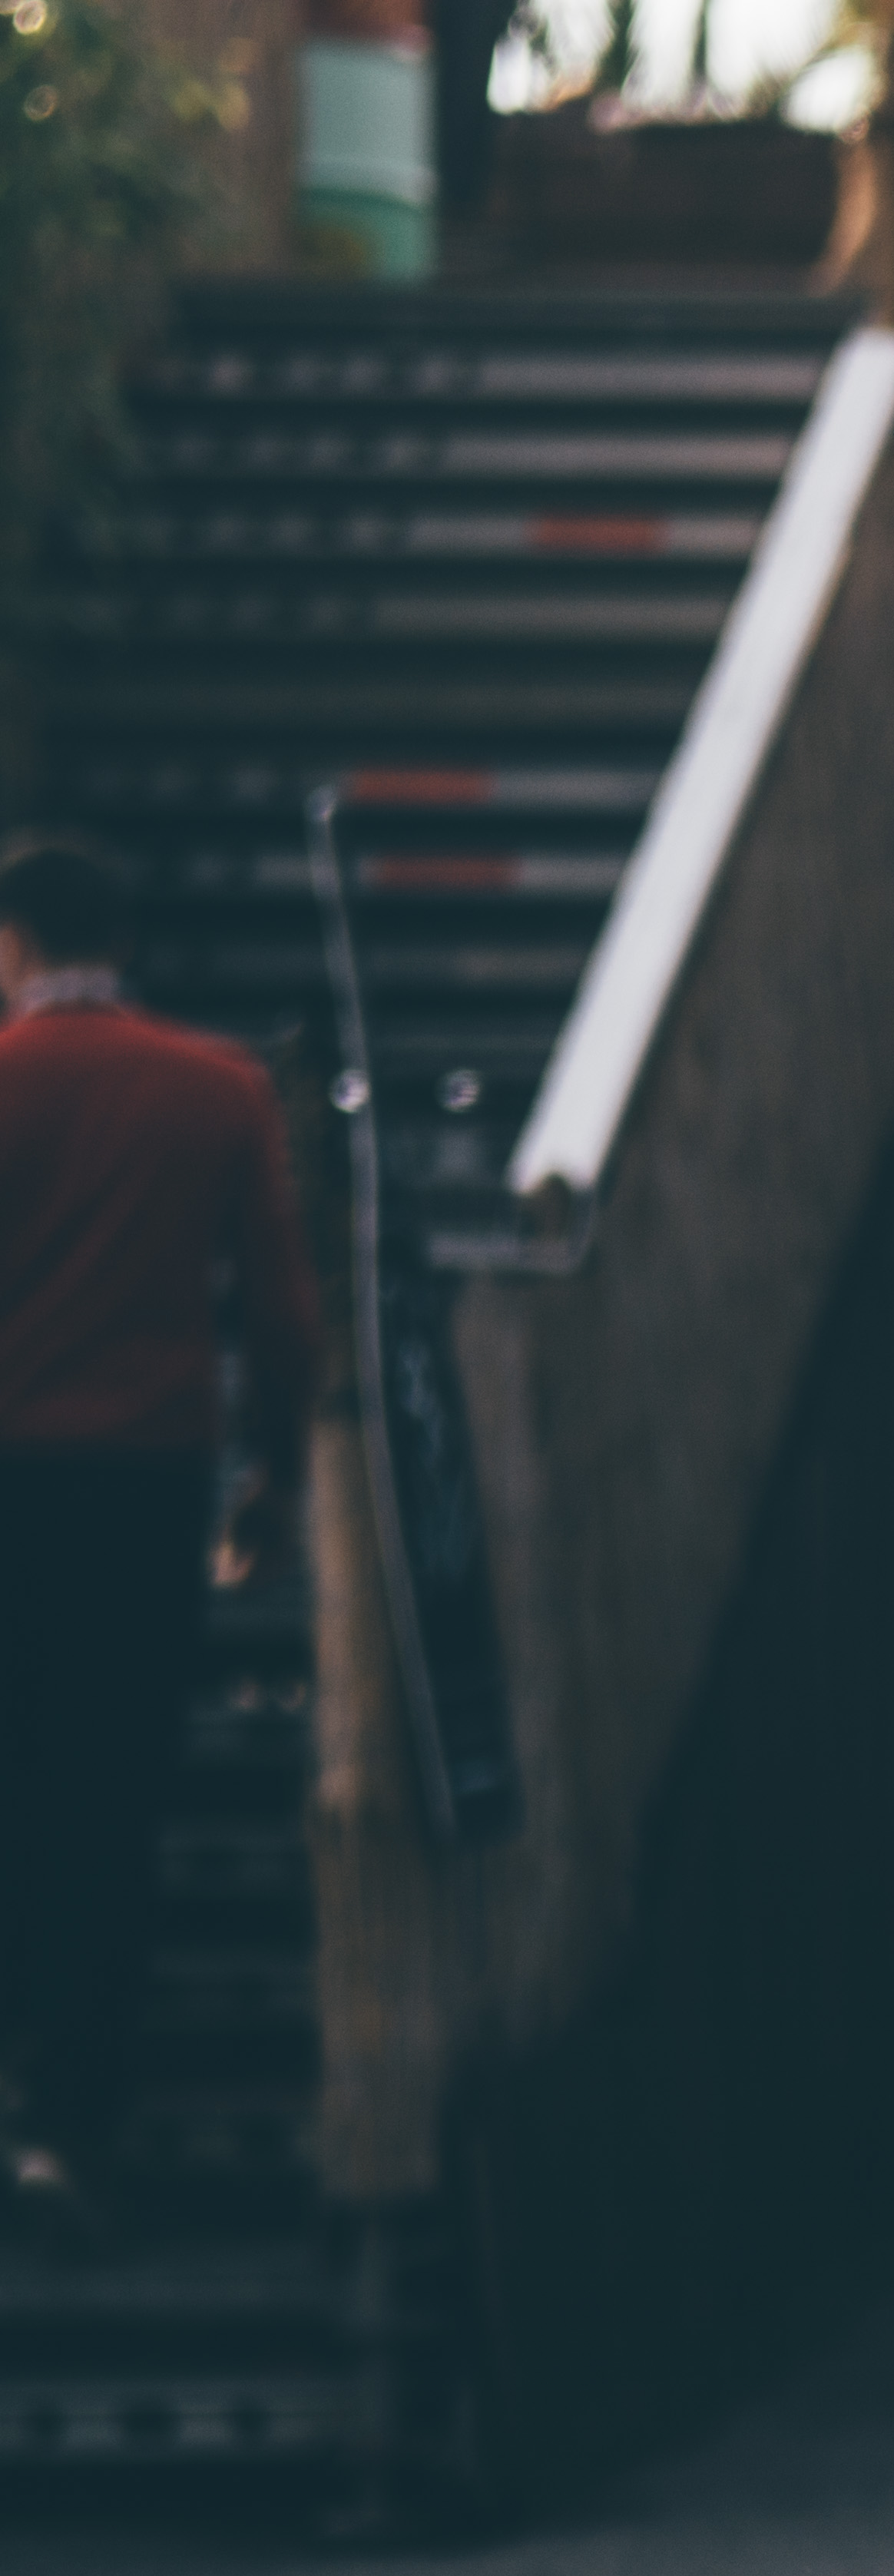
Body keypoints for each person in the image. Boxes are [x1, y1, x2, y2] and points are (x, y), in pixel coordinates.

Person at [0, 832, 323, 2243]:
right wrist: (277, 1478)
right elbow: (286, 1319)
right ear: (122, 945)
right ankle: (69, 2128)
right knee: (109, 1796)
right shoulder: (221, 1088)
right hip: (145, 1483)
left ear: (13, 947)